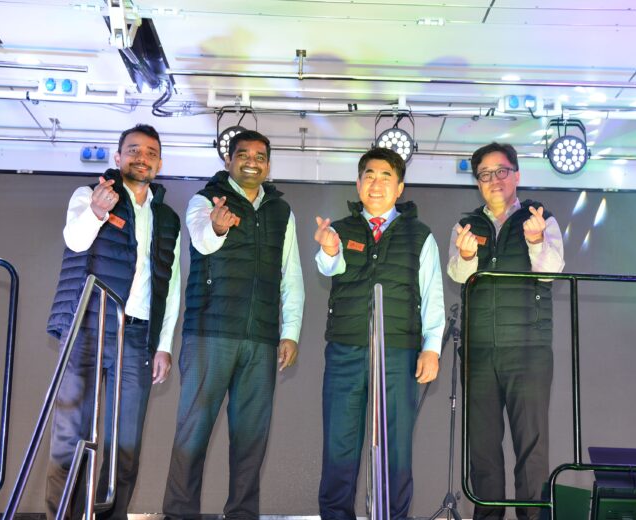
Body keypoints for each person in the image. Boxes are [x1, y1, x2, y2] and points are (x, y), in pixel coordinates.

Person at [163, 130, 304, 520]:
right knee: (193, 432)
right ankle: (179, 514)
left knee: (251, 440)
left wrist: (289, 331)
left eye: (261, 156)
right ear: (229, 160)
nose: (252, 162)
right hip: (210, 333)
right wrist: (218, 227)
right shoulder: (204, 200)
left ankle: (242, 514)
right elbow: (201, 240)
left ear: (268, 164)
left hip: (260, 338)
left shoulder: (281, 211)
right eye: (243, 154)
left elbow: (290, 275)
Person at [45, 123, 182, 520]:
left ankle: (112, 515)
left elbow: (168, 284)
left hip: (136, 335)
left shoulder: (166, 217)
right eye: (134, 150)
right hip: (88, 326)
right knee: (72, 432)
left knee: (126, 439)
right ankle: (65, 516)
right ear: (118, 157)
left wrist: (163, 345)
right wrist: (96, 211)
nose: (143, 157)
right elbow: (75, 240)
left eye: (151, 152)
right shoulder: (90, 193)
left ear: (159, 162)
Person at [313, 146, 445, 520]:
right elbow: (328, 266)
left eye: (386, 176)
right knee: (339, 445)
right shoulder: (339, 229)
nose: (376, 183)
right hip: (346, 350)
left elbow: (432, 295)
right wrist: (327, 249)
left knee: (395, 448)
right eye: (369, 175)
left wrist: (431, 348)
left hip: (399, 352)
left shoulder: (420, 235)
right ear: (358, 183)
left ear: (399, 187)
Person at [447, 142, 565, 520]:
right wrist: (466, 256)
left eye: (501, 171)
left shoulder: (539, 217)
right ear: (477, 182)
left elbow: (550, 272)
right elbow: (459, 276)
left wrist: (534, 241)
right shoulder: (466, 225)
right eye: (485, 174)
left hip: (528, 349)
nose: (494, 180)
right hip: (480, 351)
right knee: (482, 448)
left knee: (531, 447)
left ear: (516, 174)